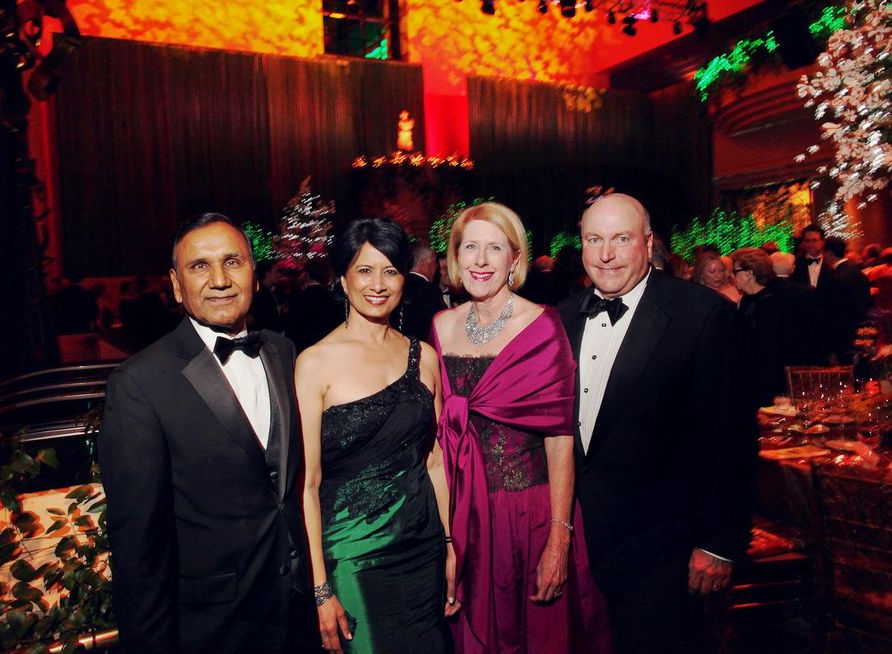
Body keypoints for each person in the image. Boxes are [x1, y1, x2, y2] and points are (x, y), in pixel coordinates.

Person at [99, 213, 314, 653]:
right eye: (200, 266)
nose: (219, 279)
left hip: (299, 616)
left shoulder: (285, 352)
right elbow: (139, 547)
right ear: (177, 286)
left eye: (233, 261)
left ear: (254, 275)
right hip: (213, 630)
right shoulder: (141, 383)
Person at [557, 194, 754, 653]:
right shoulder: (561, 318)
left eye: (621, 239)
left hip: (663, 549)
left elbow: (732, 440)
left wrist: (720, 543)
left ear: (647, 244)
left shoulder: (703, 315)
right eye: (594, 240)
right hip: (577, 546)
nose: (606, 254)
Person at [432, 202, 609, 653]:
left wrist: (558, 536)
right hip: (462, 512)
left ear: (515, 259)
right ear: (455, 257)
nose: (481, 260)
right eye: (470, 247)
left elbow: (560, 440)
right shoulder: (440, 326)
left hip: (527, 515)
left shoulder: (542, 325)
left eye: (495, 248)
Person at [296, 217, 456, 654]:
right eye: (365, 270)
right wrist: (320, 589)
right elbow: (306, 488)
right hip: (352, 557)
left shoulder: (422, 356)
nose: (378, 284)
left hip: (422, 547)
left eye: (390, 270)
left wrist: (448, 544)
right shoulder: (314, 364)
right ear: (343, 278)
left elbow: (435, 460)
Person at [731, 248, 791, 407]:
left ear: (749, 273)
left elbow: (770, 350)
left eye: (734, 271)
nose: (731, 276)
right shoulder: (746, 300)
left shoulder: (769, 302)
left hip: (764, 380)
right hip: (748, 376)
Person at [819, 236, 872, 362]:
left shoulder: (834, 279)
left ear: (829, 253)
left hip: (843, 340)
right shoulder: (859, 273)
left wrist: (831, 348)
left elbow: (833, 316)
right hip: (862, 334)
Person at [400, 239, 447, 342]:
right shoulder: (430, 292)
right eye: (434, 262)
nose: (436, 267)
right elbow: (443, 328)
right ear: (423, 264)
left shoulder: (398, 287)